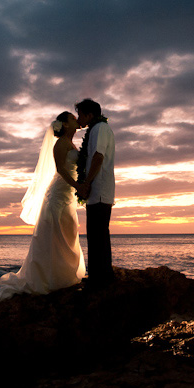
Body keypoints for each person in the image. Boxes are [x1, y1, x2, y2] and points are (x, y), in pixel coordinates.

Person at [0, 112, 86, 304]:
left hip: (67, 194)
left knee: (66, 234)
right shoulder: (60, 144)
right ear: (65, 125)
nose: (76, 119)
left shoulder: (71, 143)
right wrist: (78, 187)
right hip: (58, 194)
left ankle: (64, 275)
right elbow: (60, 169)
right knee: (54, 235)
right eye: (72, 117)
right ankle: (50, 278)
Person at [75, 98, 115, 289]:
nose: (78, 119)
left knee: (97, 235)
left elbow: (98, 157)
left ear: (89, 115)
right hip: (101, 190)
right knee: (99, 234)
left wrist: (87, 183)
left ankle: (100, 278)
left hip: (98, 189)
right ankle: (103, 275)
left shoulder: (99, 129)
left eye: (80, 115)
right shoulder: (99, 128)